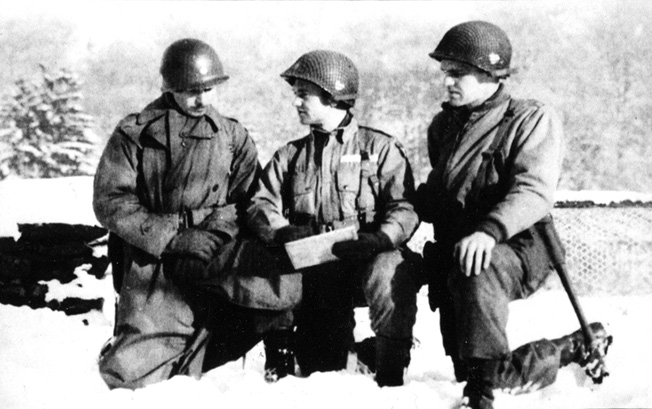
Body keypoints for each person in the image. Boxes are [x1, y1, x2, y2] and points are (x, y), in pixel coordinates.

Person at [417, 21, 613, 409]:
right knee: (475, 364)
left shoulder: (529, 119)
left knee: (481, 369)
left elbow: (533, 190)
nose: (447, 83)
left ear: (490, 74)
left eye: (458, 74)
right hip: (460, 251)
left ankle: (480, 396)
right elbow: (441, 192)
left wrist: (489, 231)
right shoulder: (443, 126)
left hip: (517, 243)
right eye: (445, 74)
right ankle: (569, 347)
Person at [93, 38, 291, 389]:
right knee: (132, 377)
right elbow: (111, 200)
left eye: (210, 89)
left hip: (217, 248)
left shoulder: (232, 135)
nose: (202, 100)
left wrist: (213, 235)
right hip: (153, 260)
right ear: (170, 88)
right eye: (190, 91)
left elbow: (247, 200)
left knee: (281, 288)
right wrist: (173, 239)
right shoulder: (137, 134)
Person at [247, 50, 422, 387]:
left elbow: (404, 207)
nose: (297, 103)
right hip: (317, 272)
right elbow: (260, 204)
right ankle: (331, 353)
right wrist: (282, 231)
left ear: (331, 96)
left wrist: (381, 239)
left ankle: (390, 364)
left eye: (303, 95)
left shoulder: (380, 149)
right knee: (321, 368)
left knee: (390, 270)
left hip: (366, 260)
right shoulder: (290, 156)